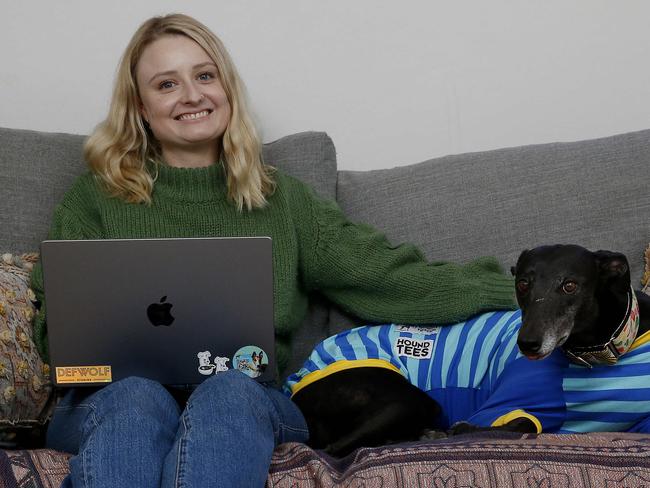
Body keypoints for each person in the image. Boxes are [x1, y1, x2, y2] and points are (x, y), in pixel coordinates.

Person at [29, 13, 516, 488]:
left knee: (230, 391)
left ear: (227, 89)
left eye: (204, 75)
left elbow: (384, 275)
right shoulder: (94, 199)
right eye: (167, 84)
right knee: (137, 396)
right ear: (139, 105)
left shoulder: (282, 199)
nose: (193, 95)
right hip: (109, 401)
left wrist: (520, 291)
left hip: (246, 396)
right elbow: (58, 325)